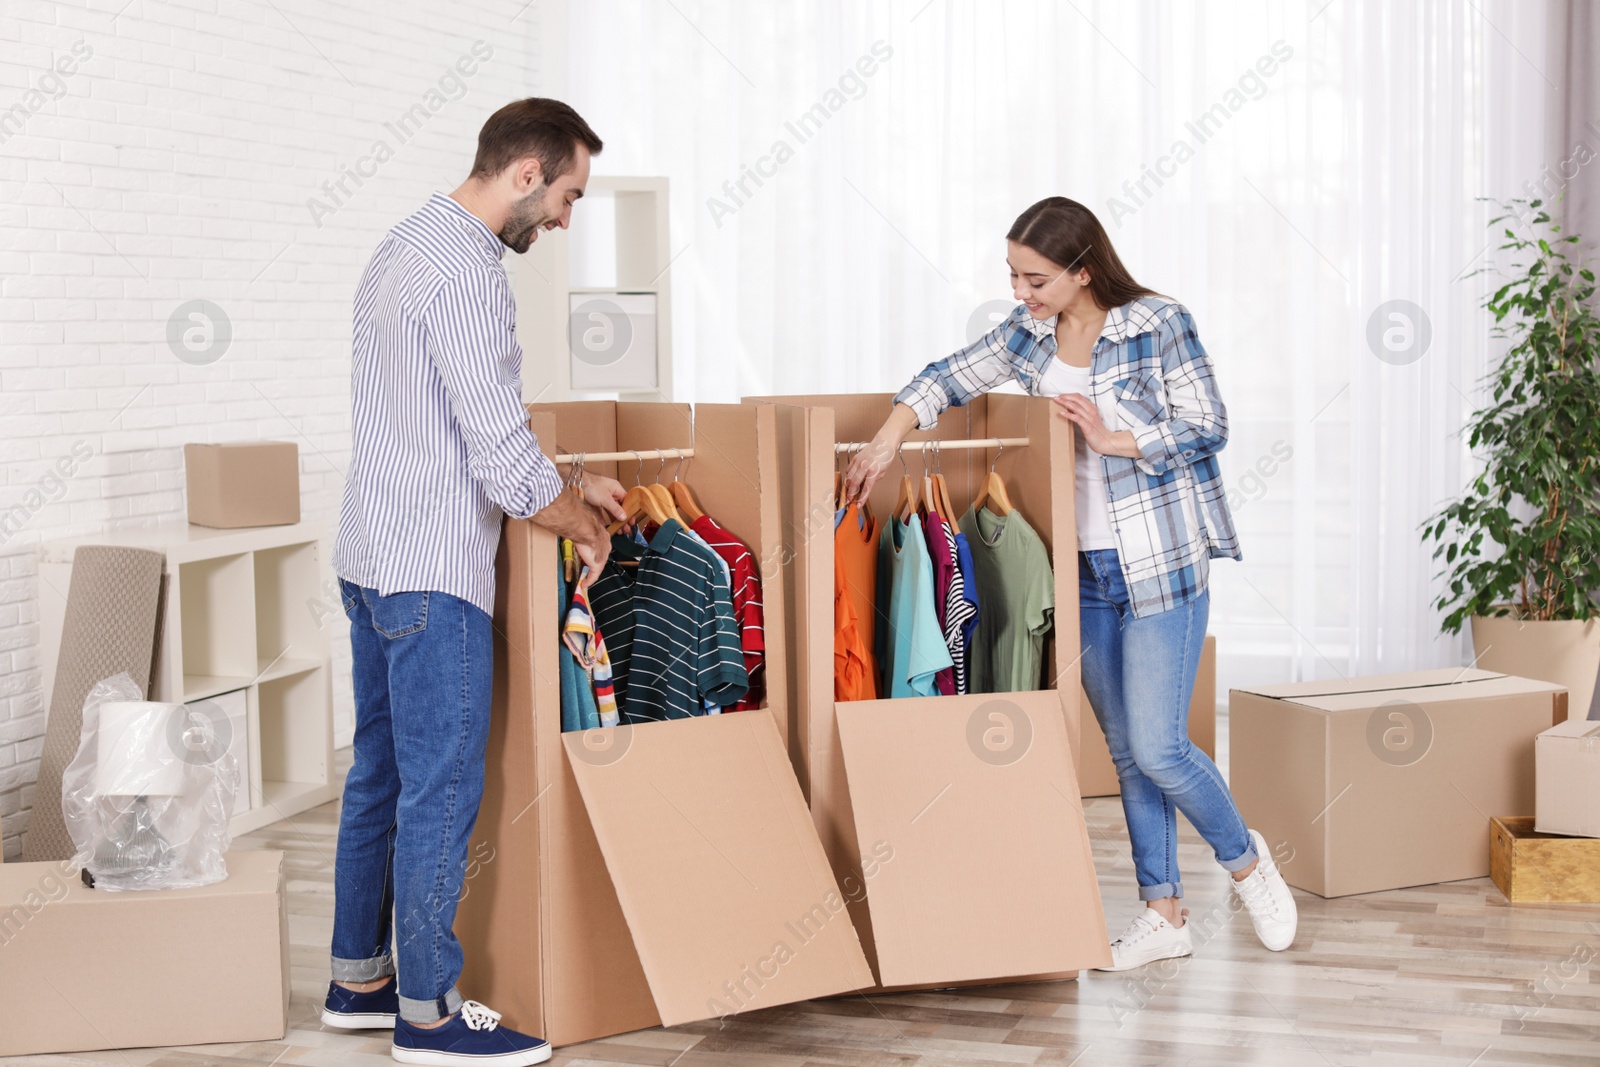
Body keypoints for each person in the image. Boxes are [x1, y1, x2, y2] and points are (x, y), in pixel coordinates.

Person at [843, 196, 1297, 971]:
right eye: (1014, 276)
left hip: (1158, 565)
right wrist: (888, 438)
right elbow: (947, 377)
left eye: (1036, 278)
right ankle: (1164, 913)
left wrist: (1114, 437)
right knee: (1126, 749)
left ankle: (1247, 861)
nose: (1021, 292)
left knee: (1160, 744)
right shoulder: (1027, 332)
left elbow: (1208, 423)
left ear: (1084, 269)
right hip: (1078, 569)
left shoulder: (1158, 323)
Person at [324, 98, 627, 1066]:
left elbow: (445, 420)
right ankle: (427, 1015)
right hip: (433, 574)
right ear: (527, 173)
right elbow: (497, 449)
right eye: (569, 196)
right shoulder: (468, 274)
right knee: (441, 790)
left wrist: (570, 479)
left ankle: (357, 979)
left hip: (369, 553)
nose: (567, 220)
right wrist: (579, 516)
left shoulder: (407, 241)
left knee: (380, 774)